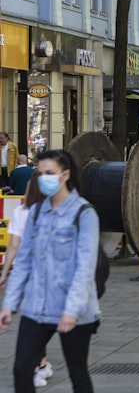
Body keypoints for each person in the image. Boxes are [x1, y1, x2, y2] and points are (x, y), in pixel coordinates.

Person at [0, 150, 100, 393]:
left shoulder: (84, 213)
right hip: (37, 308)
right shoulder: (34, 212)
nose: (43, 178)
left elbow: (85, 268)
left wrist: (71, 310)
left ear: (65, 175)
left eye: (50, 173)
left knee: (78, 373)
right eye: (40, 173)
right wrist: (9, 304)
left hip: (73, 309)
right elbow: (23, 262)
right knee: (22, 370)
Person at [0, 172, 54, 388]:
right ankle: (38, 366)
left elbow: (13, 245)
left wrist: (5, 273)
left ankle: (39, 366)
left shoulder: (22, 212)